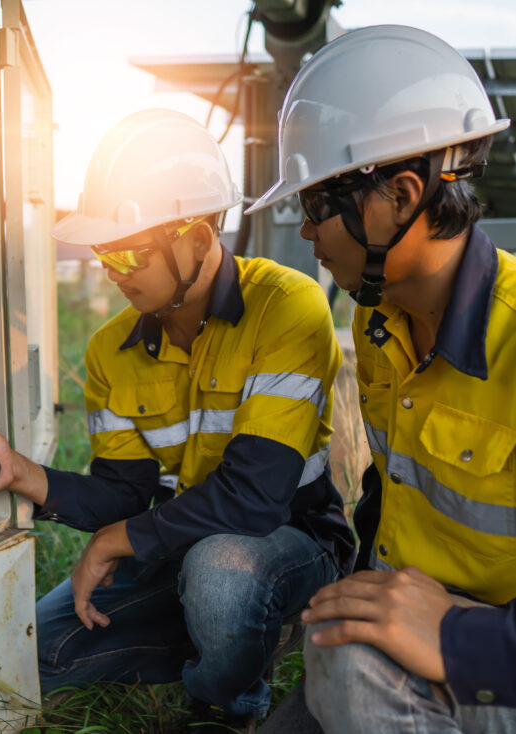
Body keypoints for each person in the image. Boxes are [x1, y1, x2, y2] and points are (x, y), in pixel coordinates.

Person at [0, 109, 354, 729]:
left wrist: (120, 541)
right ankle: (221, 638)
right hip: (178, 547)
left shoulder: (288, 308)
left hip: (290, 543)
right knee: (32, 653)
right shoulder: (109, 350)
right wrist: (17, 471)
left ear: (199, 240)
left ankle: (225, 700)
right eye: (103, 252)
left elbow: (256, 498)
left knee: (223, 572)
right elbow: (125, 495)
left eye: (129, 255)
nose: (111, 272)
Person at [247, 24, 516, 733]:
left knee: (345, 661)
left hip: (493, 654)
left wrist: (460, 638)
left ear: (398, 196)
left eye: (315, 207)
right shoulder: (380, 327)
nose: (305, 233)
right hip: (413, 619)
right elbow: (392, 490)